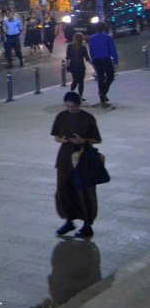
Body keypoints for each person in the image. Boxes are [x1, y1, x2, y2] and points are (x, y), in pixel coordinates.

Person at [51, 92, 102, 239]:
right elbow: (56, 137)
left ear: (79, 105)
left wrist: (83, 141)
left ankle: (87, 225)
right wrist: (64, 139)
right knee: (64, 190)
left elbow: (97, 139)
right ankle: (69, 220)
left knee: (85, 193)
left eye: (73, 107)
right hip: (65, 159)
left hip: (84, 159)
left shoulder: (88, 118)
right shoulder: (61, 116)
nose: (70, 109)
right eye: (68, 106)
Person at [87, 23, 118, 107]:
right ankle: (103, 92)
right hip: (106, 59)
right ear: (104, 28)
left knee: (101, 77)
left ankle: (102, 95)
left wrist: (93, 60)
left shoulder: (92, 38)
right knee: (110, 76)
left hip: (97, 60)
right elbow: (112, 50)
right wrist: (115, 62)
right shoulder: (108, 38)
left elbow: (91, 51)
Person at [65, 32, 91, 100]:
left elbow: (67, 58)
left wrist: (67, 66)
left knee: (75, 80)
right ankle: (80, 96)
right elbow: (87, 58)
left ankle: (71, 95)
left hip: (73, 66)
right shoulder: (83, 47)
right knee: (81, 82)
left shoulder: (70, 46)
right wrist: (94, 66)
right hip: (81, 66)